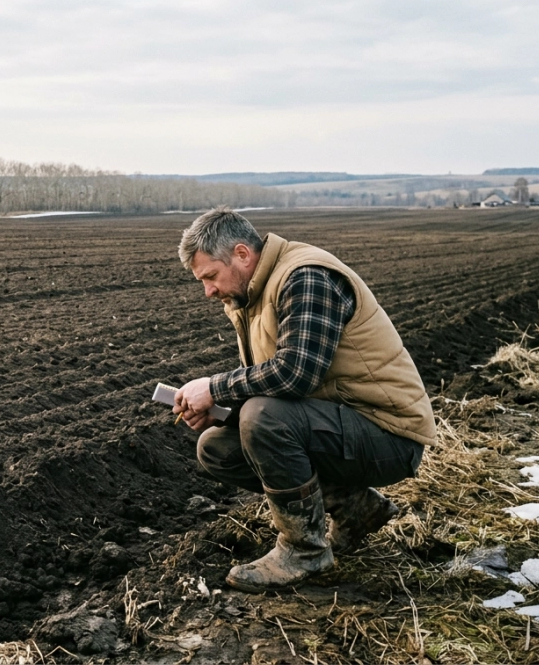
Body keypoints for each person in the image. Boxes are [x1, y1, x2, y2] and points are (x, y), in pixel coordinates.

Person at [171, 206, 436, 592]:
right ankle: (356, 509)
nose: (208, 291)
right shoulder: (253, 295)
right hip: (341, 422)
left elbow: (295, 373)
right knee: (217, 448)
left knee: (264, 417)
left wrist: (213, 388)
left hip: (389, 434)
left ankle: (304, 551)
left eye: (210, 276)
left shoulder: (305, 275)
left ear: (242, 254)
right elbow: (272, 386)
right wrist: (222, 411)